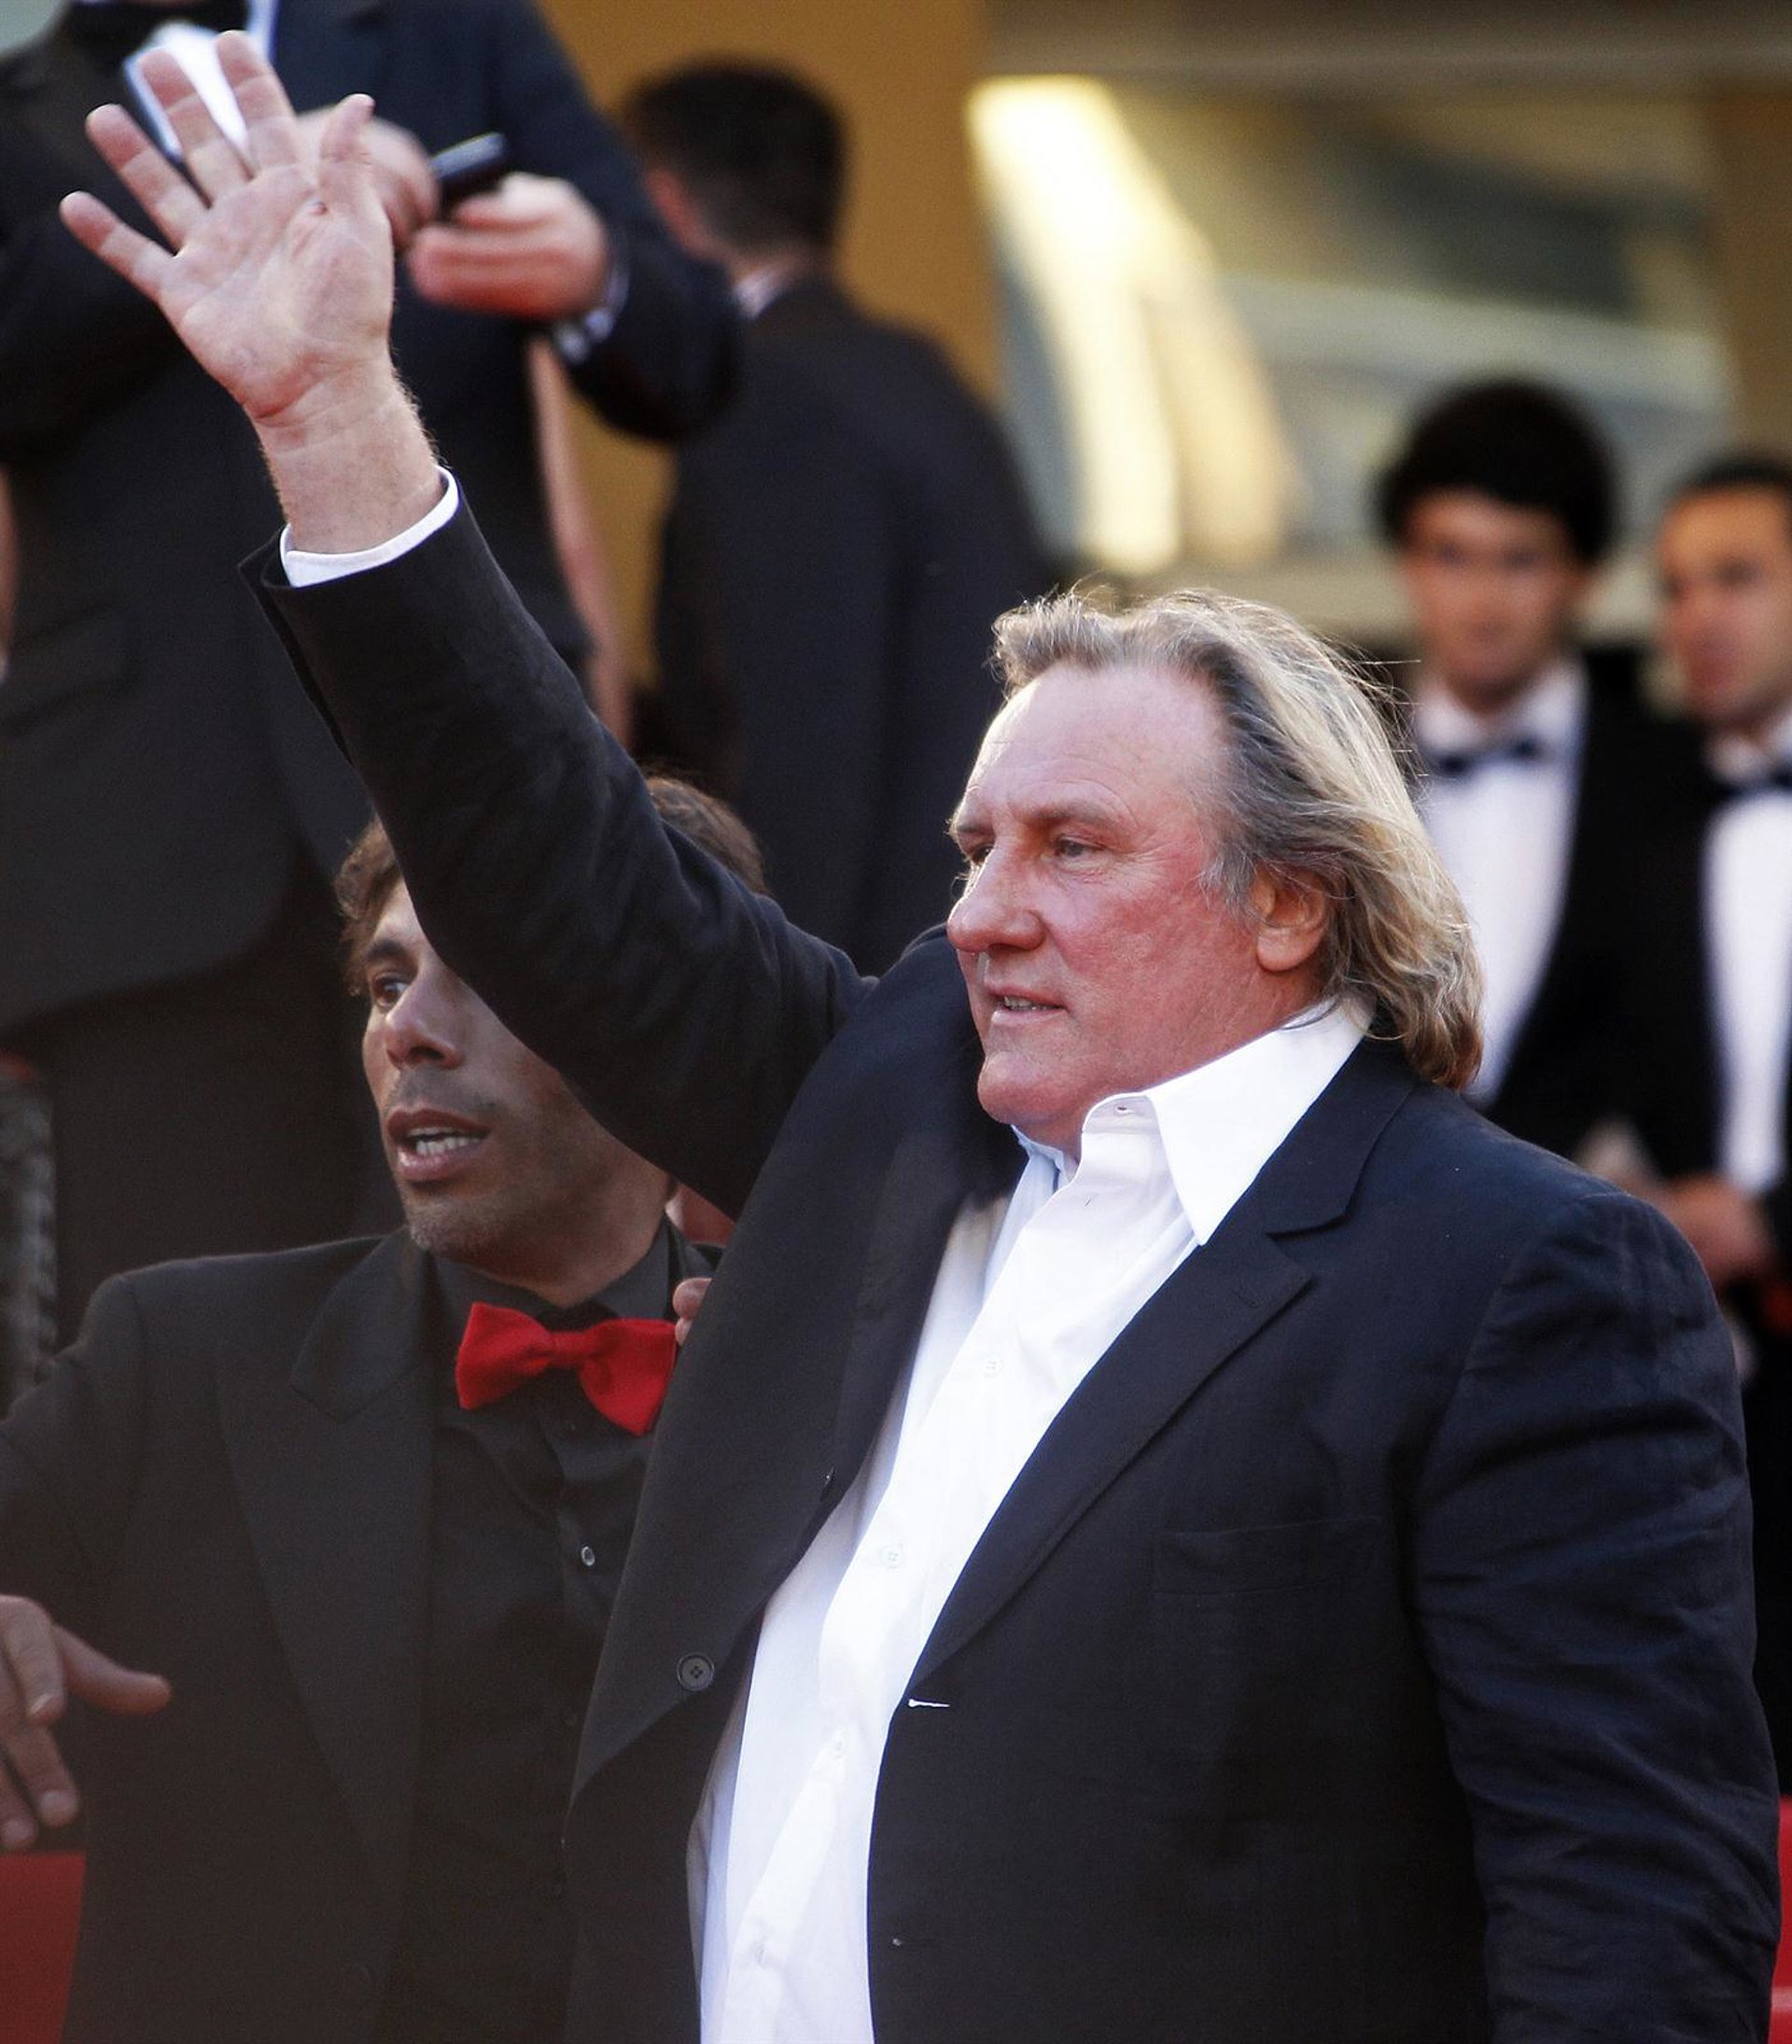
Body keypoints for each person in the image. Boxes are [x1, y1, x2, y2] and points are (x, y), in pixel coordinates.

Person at [57, 50, 1780, 2042]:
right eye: (974, 850)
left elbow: (1628, 1918)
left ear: (1291, 903)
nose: (978, 913)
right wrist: (329, 412)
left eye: (1070, 850)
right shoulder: (880, 1115)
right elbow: (556, 860)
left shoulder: (1520, 1279)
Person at [0, 0, 738, 1346]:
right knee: (179, 1346)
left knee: (513, 1308)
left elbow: (690, 347)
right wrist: (257, 200)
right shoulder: (28, 79)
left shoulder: (457, 31)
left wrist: (593, 270)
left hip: (466, 775)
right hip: (143, 836)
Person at [0, 777, 757, 2044]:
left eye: (491, 976)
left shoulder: (840, 1388)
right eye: (388, 981)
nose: (410, 1031)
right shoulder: (178, 1364)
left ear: (675, 1027)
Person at [621, 62, 1048, 972]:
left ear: (664, 207)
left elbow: (803, 739)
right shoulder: (909, 371)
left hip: (869, 964)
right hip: (963, 933)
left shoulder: (772, 394)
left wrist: (779, 993)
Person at [1376, 378, 1703, 1157]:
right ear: (1406, 562)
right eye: (1451, 555)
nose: (1483, 602)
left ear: (1584, 574)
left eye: (1520, 560)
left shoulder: (1681, 775)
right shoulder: (1327, 770)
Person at [1617, 452, 1792, 1783]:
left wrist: (1771, 1219)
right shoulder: (1644, 822)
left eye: (1737, 578)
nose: (1698, 617)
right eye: (1677, 586)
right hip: (1714, 1382)